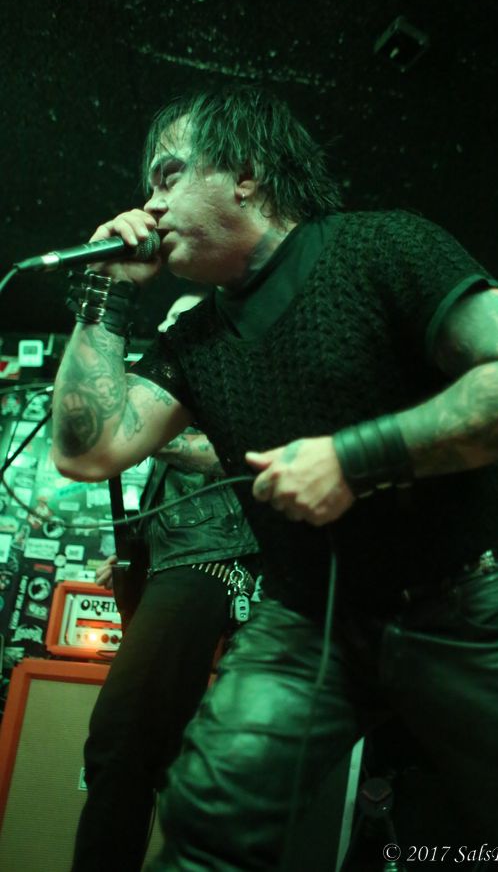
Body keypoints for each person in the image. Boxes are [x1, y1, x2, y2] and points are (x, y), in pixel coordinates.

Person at [51, 83, 498, 870]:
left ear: (245, 172)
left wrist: (351, 458)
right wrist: (103, 293)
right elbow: (87, 449)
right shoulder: (195, 340)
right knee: (207, 823)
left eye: (169, 175)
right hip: (306, 618)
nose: (150, 204)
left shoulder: (384, 247)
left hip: (465, 605)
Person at [69, 294, 259, 872]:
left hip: (215, 562)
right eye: (167, 320)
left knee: (122, 738)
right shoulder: (174, 402)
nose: (168, 329)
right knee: (139, 746)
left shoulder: (238, 384)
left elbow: (238, 455)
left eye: (181, 320)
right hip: (177, 565)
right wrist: (137, 559)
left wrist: (138, 433)